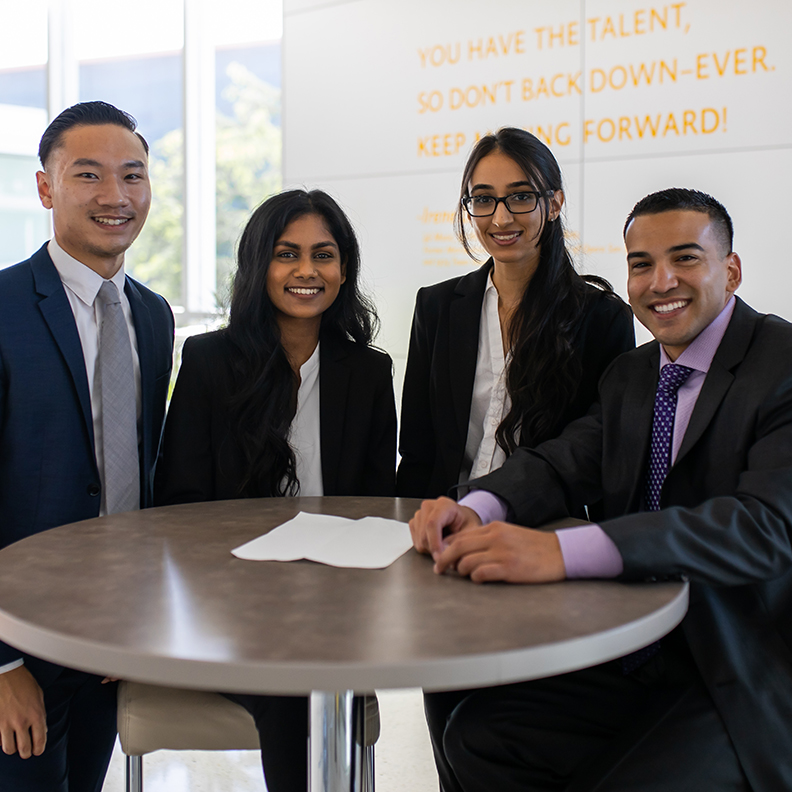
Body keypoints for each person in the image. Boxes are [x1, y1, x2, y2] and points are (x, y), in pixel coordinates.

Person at [410, 188, 792, 792]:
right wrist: (473, 506)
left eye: (686, 258)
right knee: (477, 737)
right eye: (641, 264)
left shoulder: (782, 363)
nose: (661, 280)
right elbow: (563, 461)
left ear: (732, 270)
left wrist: (561, 552)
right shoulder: (632, 377)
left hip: (742, 668)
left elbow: (763, 527)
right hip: (635, 646)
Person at [155, 188, 397, 790]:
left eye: (324, 254)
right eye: (287, 254)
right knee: (292, 687)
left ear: (345, 269)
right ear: (259, 265)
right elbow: (178, 505)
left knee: (316, 671)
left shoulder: (369, 372)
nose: (307, 271)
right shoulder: (209, 362)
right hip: (231, 606)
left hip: (338, 602)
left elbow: (375, 506)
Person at [0, 102, 174, 792]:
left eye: (132, 176)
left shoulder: (153, 317)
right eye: (89, 175)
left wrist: (137, 617)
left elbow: (143, 474)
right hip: (21, 642)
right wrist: (3, 665)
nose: (115, 197)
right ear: (46, 188)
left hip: (111, 638)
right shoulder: (5, 307)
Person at [396, 127, 634, 500]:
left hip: (544, 527)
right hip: (444, 523)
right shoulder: (436, 307)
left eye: (521, 197)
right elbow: (417, 450)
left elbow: (600, 451)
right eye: (484, 199)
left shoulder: (602, 318)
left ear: (554, 204)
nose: (501, 219)